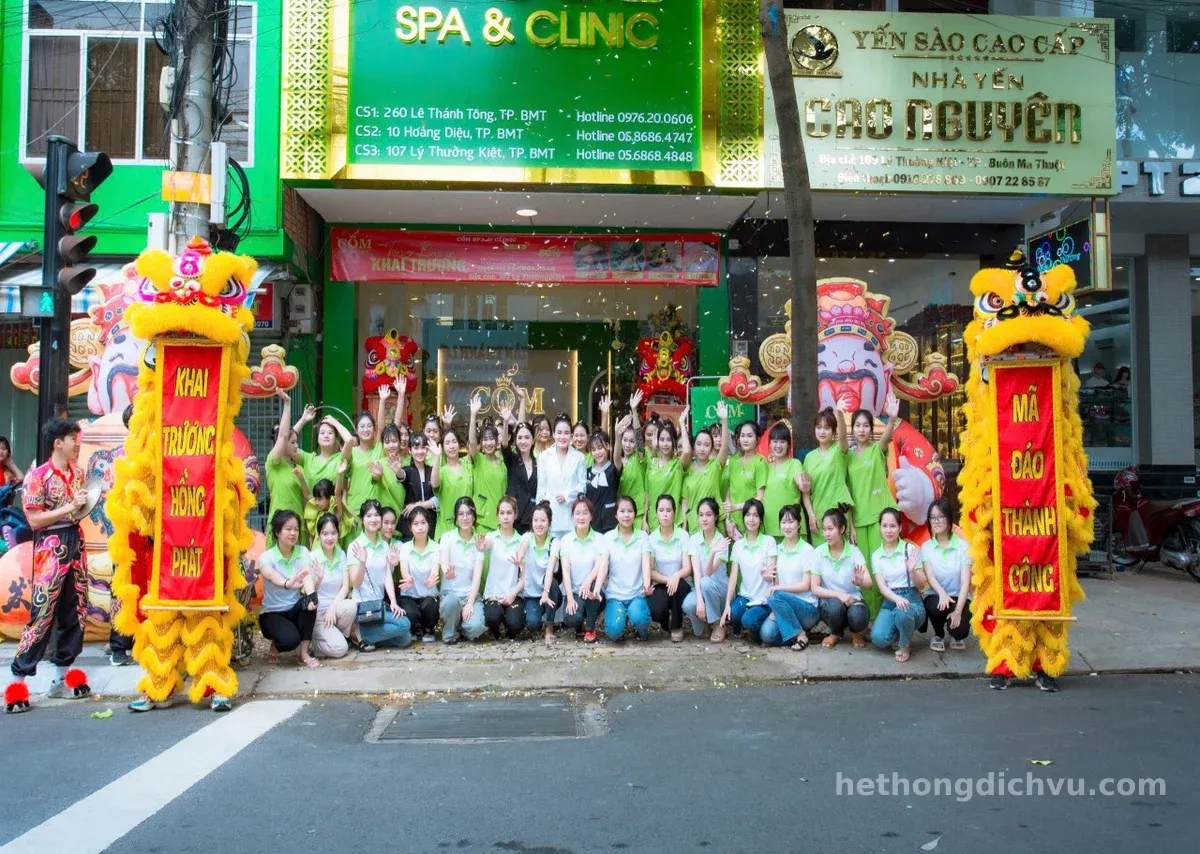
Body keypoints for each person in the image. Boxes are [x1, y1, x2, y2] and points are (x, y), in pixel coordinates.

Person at [5, 418, 91, 714]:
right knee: (42, 614)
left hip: (76, 544)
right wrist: (69, 507)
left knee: (76, 611)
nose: (77, 445)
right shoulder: (38, 475)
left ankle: (61, 678)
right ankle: (17, 683)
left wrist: (84, 505)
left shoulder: (79, 473)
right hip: (50, 548)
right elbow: (33, 519)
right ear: (58, 443)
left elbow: (80, 510)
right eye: (72, 439)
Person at [847, 394, 901, 619]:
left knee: (883, 570)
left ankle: (886, 616)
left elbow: (886, 438)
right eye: (857, 425)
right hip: (859, 520)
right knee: (864, 570)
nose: (861, 429)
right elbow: (847, 493)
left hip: (881, 519)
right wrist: (849, 525)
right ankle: (869, 619)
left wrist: (891, 419)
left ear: (871, 429)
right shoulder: (847, 456)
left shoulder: (877, 450)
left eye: (865, 425)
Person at [256, 510, 321, 668]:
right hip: (272, 614)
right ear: (278, 532)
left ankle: (304, 653)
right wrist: (287, 583)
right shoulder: (267, 557)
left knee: (309, 603)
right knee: (290, 641)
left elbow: (306, 574)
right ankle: (276, 645)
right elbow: (270, 575)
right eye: (288, 529)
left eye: (296, 529)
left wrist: (312, 597)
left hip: (293, 609)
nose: (293, 533)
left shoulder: (302, 551)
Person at [347, 500, 413, 649]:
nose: (373, 519)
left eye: (377, 515)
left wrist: (394, 603)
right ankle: (362, 635)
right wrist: (362, 562)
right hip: (363, 607)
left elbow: (386, 577)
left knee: (405, 639)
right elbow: (355, 584)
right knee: (405, 625)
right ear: (362, 520)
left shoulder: (384, 545)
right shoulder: (355, 546)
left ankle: (368, 637)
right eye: (369, 516)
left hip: (380, 605)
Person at [868, 508, 926, 663]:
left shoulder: (910, 549)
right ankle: (901, 630)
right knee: (878, 638)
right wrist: (897, 599)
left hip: (912, 600)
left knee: (903, 612)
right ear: (880, 527)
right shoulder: (877, 555)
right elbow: (882, 587)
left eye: (892, 526)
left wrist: (912, 570)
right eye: (885, 526)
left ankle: (905, 644)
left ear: (900, 528)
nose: (888, 530)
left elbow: (921, 586)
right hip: (890, 600)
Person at [810, 509, 872, 649]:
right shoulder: (818, 553)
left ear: (842, 528)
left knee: (858, 616)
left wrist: (861, 581)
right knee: (834, 607)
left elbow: (869, 583)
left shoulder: (854, 551)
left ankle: (856, 632)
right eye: (824, 529)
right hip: (831, 603)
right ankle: (836, 633)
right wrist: (839, 595)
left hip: (852, 600)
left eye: (830, 529)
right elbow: (815, 588)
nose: (826, 533)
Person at [761, 505, 821, 650]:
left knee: (775, 595)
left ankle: (800, 635)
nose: (787, 526)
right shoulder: (778, 550)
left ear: (799, 524)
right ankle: (796, 632)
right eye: (784, 522)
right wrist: (766, 575)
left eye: (791, 521)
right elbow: (775, 582)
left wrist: (777, 591)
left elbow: (805, 586)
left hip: (806, 608)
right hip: (783, 606)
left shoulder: (808, 550)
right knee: (766, 634)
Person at [720, 498, 777, 644]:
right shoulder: (738, 545)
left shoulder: (769, 542)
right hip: (746, 597)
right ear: (743, 517)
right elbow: (733, 576)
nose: (751, 519)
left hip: (764, 600)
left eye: (756, 515)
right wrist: (727, 603)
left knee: (748, 620)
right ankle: (746, 626)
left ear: (761, 519)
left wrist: (766, 576)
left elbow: (772, 576)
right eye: (748, 515)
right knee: (733, 614)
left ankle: (760, 630)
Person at [921, 499, 973, 653]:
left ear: (949, 518)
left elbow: (965, 583)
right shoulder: (926, 547)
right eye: (932, 517)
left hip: (958, 596)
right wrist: (942, 594)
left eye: (940, 516)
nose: (936, 521)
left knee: (960, 631)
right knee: (936, 605)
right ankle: (938, 634)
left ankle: (955, 633)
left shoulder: (963, 547)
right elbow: (930, 577)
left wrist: (957, 612)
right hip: (936, 594)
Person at [601, 495, 653, 642]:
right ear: (616, 514)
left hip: (637, 594)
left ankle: (639, 629)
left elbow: (645, 564)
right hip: (615, 596)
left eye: (630, 511)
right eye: (622, 511)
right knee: (614, 633)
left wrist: (647, 585)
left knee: (641, 620)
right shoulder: (608, 538)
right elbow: (604, 566)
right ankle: (621, 626)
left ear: (635, 514)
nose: (626, 515)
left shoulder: (642, 537)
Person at [309, 512, 360, 659]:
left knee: (351, 606)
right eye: (325, 533)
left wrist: (332, 607)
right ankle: (318, 646)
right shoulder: (313, 557)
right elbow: (309, 592)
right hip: (318, 613)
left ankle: (335, 635)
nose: (330, 538)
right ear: (319, 535)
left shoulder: (341, 555)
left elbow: (345, 587)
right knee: (340, 650)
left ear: (338, 534)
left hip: (335, 608)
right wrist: (318, 579)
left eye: (333, 533)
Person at [266, 390, 313, 546]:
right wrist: (287, 404)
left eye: (296, 442)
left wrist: (303, 420)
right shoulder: (273, 464)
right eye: (293, 443)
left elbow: (289, 437)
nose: (296, 446)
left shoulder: (298, 467)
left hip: (298, 528)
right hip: (279, 529)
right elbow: (284, 437)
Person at [437, 497, 487, 644]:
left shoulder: (478, 541)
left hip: (469, 595)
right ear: (456, 517)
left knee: (476, 628)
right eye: (461, 514)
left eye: (468, 513)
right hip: (451, 595)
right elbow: (444, 563)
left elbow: (477, 576)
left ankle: (462, 625)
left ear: (474, 516)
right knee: (451, 603)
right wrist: (447, 572)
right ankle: (450, 632)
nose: (465, 518)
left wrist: (470, 603)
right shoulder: (447, 538)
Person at [801, 403, 854, 540]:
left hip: (839, 516)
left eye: (827, 428)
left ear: (834, 431)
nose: (822, 432)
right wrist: (811, 515)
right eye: (818, 428)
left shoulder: (839, 450)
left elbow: (843, 436)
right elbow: (806, 493)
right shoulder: (809, 457)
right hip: (819, 518)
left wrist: (840, 414)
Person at [682, 498, 732, 642]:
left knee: (706, 582)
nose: (704, 519)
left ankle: (718, 624)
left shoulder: (721, 540)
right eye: (701, 515)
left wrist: (712, 552)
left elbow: (709, 572)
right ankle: (704, 625)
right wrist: (699, 600)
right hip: (703, 587)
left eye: (708, 515)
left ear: (716, 517)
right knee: (688, 604)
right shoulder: (694, 540)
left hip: (721, 591)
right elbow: (697, 573)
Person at [559, 497, 607, 642]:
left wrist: (587, 580)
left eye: (585, 513)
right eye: (577, 513)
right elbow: (565, 571)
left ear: (591, 516)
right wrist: (570, 599)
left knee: (591, 587)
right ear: (572, 517)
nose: (581, 517)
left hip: (594, 592)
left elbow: (601, 564)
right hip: (575, 592)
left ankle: (591, 628)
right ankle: (579, 622)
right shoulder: (566, 540)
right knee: (571, 619)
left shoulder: (600, 538)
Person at [647, 494, 692, 642]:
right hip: (661, 583)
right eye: (661, 510)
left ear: (674, 512)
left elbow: (687, 568)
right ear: (656, 513)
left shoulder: (683, 536)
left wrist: (675, 577)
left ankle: (677, 626)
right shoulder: (652, 538)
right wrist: (668, 579)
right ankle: (665, 625)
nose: (665, 514)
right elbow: (651, 571)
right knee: (656, 610)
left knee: (677, 589)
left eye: (668, 510)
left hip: (680, 582)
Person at [517, 502, 562, 643]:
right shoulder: (527, 537)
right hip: (532, 594)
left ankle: (549, 627)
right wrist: (519, 557)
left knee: (553, 584)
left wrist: (546, 591)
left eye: (543, 520)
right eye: (536, 520)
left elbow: (550, 570)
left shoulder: (554, 542)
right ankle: (538, 618)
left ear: (549, 523)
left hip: (550, 592)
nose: (539, 524)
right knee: (532, 625)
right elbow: (523, 548)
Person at [481, 497, 526, 640]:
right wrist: (481, 546)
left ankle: (509, 626)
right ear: (497, 516)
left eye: (509, 513)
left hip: (514, 594)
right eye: (502, 513)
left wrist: (512, 594)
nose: (505, 517)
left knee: (516, 624)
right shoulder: (491, 537)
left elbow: (525, 576)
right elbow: (485, 545)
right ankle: (496, 631)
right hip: (493, 594)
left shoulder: (521, 541)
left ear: (515, 515)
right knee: (492, 618)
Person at [682, 402, 730, 532]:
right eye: (699, 444)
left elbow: (725, 446)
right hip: (694, 526)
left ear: (712, 447)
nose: (702, 448)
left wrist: (724, 420)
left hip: (715, 526)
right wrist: (684, 527)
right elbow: (684, 503)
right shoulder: (687, 468)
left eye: (707, 445)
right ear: (694, 446)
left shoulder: (715, 466)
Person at [536, 414, 586, 538]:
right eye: (559, 432)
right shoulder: (544, 457)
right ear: (553, 434)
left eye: (566, 433)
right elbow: (541, 488)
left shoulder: (579, 457)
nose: (562, 437)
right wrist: (540, 515)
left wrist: (568, 495)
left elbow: (583, 487)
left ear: (571, 436)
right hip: (551, 515)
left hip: (571, 515)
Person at [397, 506, 442, 642]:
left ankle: (429, 628)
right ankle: (415, 627)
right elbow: (405, 572)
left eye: (423, 523)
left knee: (430, 606)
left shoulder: (436, 548)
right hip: (409, 596)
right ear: (410, 527)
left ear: (429, 524)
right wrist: (408, 579)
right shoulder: (404, 548)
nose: (420, 527)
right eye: (416, 524)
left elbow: (435, 572)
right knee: (410, 613)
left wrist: (431, 581)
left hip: (428, 595)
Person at [467, 394, 507, 534]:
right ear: (481, 443)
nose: (488, 443)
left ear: (497, 442)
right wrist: (473, 414)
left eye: (492, 439)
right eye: (485, 439)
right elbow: (472, 442)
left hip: (501, 521)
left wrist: (506, 420)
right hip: (482, 521)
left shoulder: (503, 464)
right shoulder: (478, 459)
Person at [761, 422, 807, 540]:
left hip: (792, 527)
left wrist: (804, 485)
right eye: (775, 441)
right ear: (769, 444)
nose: (778, 445)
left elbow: (800, 482)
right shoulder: (766, 467)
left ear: (788, 445)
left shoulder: (794, 463)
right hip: (770, 528)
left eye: (782, 441)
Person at [724, 420, 766, 538]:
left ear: (758, 439)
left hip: (752, 523)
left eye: (749, 436)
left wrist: (736, 507)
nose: (745, 439)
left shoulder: (760, 462)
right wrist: (728, 519)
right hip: (733, 526)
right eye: (742, 436)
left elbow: (760, 498)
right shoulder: (734, 463)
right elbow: (729, 493)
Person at [431, 429, 474, 538]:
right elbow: (434, 484)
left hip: (467, 527)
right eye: (447, 443)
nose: (451, 446)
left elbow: (473, 445)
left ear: (459, 444)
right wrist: (436, 457)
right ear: (443, 447)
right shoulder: (442, 471)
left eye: (454, 441)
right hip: (446, 530)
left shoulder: (468, 465)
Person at [645, 417, 687, 524]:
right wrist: (645, 519)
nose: (665, 444)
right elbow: (647, 494)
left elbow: (686, 451)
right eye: (662, 440)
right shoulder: (652, 462)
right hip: (653, 522)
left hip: (673, 523)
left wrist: (682, 423)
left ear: (674, 442)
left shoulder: (677, 464)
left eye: (669, 440)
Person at [399, 433, 436, 541]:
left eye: (423, 447)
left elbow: (438, 499)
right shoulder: (407, 470)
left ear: (427, 450)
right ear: (410, 450)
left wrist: (417, 505)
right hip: (410, 527)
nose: (419, 451)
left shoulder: (433, 471)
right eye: (416, 448)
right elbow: (402, 476)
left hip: (430, 524)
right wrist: (397, 469)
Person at [502, 419, 538, 534]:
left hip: (532, 519)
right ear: (515, 440)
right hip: (514, 518)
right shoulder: (512, 460)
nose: (523, 441)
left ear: (533, 440)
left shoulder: (539, 463)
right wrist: (505, 421)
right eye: (520, 437)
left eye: (527, 437)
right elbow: (504, 445)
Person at [585, 429, 620, 534]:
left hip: (611, 523)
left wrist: (618, 436)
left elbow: (617, 457)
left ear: (608, 446)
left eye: (600, 448)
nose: (597, 452)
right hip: (592, 524)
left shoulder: (613, 469)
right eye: (593, 449)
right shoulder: (587, 472)